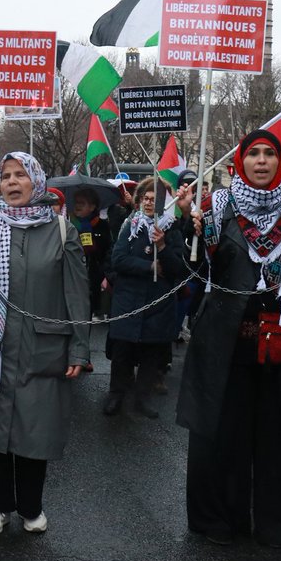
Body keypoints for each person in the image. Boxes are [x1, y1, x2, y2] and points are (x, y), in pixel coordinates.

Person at [178, 130, 281, 548]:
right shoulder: (216, 207)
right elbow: (196, 268)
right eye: (254, 154)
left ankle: (275, 525)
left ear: (279, 161)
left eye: (269, 154)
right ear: (241, 162)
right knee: (223, 436)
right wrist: (186, 227)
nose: (261, 161)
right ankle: (219, 521)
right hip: (228, 343)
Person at [0, 151, 90, 536]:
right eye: (5, 176)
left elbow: (77, 294)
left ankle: (30, 505)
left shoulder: (62, 230)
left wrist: (79, 348)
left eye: (19, 175)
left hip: (40, 349)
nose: (10, 182)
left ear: (36, 182)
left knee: (33, 430)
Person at [104, 177, 187, 418]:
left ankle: (142, 397)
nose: (150, 203)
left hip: (157, 301)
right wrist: (149, 267)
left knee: (151, 353)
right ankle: (116, 394)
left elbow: (178, 268)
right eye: (146, 199)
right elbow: (118, 259)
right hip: (128, 298)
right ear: (139, 201)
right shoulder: (130, 224)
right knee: (122, 352)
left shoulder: (171, 228)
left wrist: (162, 247)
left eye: (155, 199)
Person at [70, 187, 111, 317]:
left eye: (82, 203)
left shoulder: (102, 225)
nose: (77, 206)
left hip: (93, 278)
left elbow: (107, 251)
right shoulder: (68, 223)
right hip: (72, 278)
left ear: (92, 207)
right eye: (76, 202)